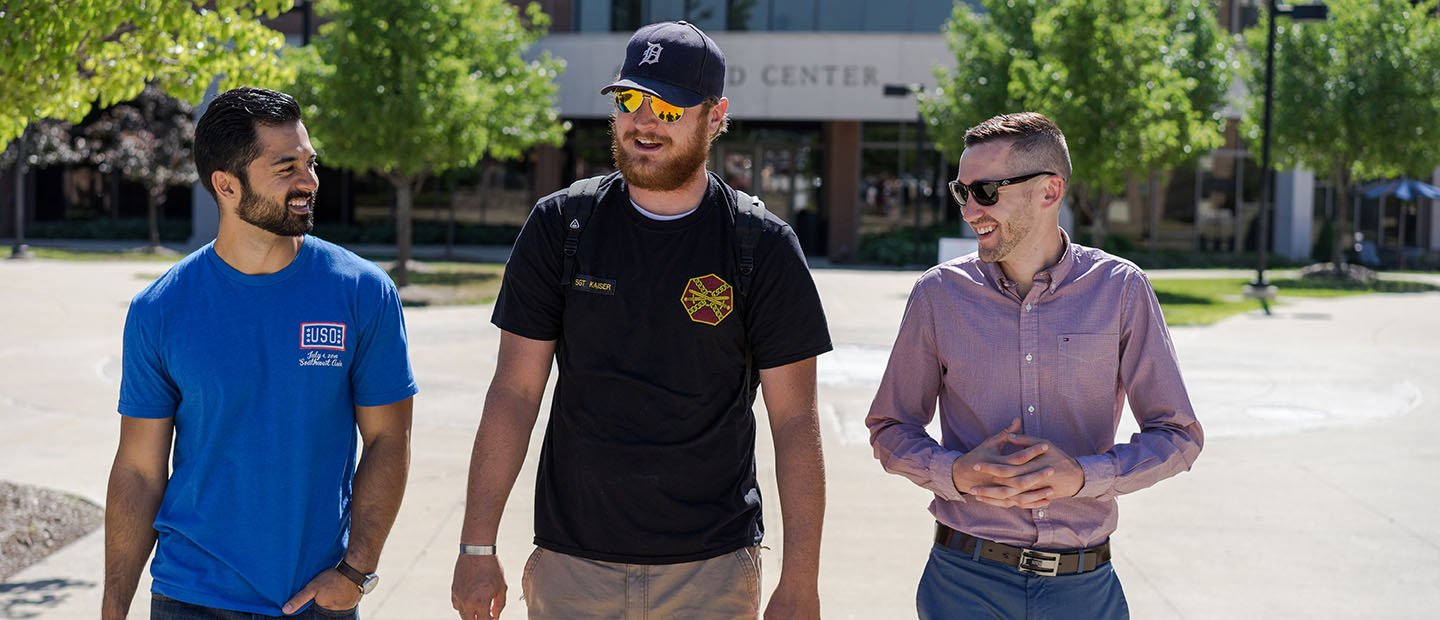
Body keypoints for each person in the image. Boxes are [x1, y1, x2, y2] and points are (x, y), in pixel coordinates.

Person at [450, 20, 832, 620]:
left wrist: (801, 580)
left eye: (669, 105)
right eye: (630, 100)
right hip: (572, 566)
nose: (644, 120)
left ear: (715, 115)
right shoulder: (562, 226)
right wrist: (477, 544)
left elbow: (793, 421)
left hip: (712, 572)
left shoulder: (760, 244)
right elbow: (515, 392)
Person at [866, 112, 1203, 619]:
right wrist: (952, 471)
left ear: (1049, 191)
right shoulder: (939, 295)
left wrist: (1085, 477)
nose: (969, 210)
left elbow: (1179, 435)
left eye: (985, 191)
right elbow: (890, 426)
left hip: (1084, 589)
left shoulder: (1121, 290)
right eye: (962, 192)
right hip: (963, 582)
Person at [103, 87, 417, 619]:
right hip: (188, 597)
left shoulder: (362, 292)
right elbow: (139, 470)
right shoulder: (161, 308)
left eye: (310, 162)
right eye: (286, 167)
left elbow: (389, 438)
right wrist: (113, 610)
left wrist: (356, 571)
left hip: (314, 600)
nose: (310, 181)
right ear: (226, 185)